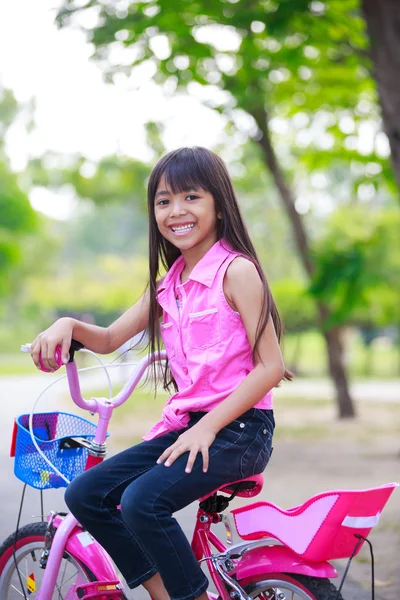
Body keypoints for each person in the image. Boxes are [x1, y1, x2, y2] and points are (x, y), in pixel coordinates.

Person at [30, 147, 290, 600]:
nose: (177, 212)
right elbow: (109, 339)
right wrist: (66, 325)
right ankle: (162, 592)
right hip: (189, 428)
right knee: (86, 495)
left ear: (218, 204)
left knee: (142, 502)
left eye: (191, 196)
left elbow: (272, 366)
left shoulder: (237, 272)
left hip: (238, 431)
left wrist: (207, 428)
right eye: (164, 201)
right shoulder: (169, 284)